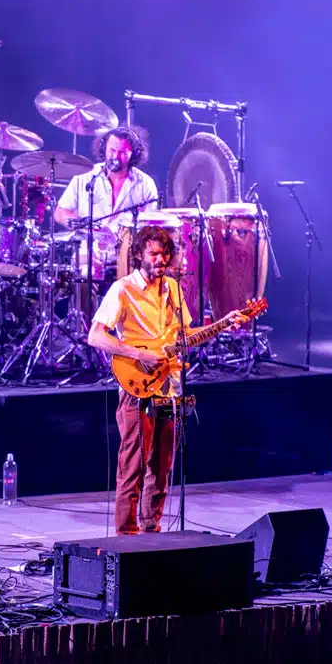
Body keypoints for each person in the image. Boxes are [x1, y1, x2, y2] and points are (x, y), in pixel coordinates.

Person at [86, 227, 247, 534]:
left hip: (169, 383)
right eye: (154, 254)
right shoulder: (122, 289)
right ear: (138, 255)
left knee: (162, 465)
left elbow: (184, 337)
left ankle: (152, 529)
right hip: (136, 384)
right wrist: (139, 354)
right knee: (133, 463)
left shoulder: (172, 288)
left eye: (165, 254)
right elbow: (95, 336)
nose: (161, 259)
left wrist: (222, 325)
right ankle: (126, 534)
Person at [53, 127, 159, 233]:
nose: (116, 157)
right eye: (112, 150)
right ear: (104, 148)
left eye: (123, 152)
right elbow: (60, 212)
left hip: (127, 243)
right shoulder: (84, 176)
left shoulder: (146, 184)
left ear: (134, 154)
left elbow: (151, 224)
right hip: (87, 242)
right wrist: (82, 225)